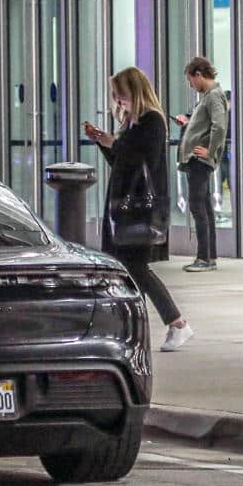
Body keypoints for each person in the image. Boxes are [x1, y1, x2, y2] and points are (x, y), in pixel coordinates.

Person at [86, 67, 193, 352]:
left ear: (136, 92)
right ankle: (136, 331)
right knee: (128, 268)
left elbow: (139, 157)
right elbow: (122, 160)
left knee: (134, 266)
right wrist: (104, 142)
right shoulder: (134, 123)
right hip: (125, 205)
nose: (119, 102)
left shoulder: (152, 121)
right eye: (116, 98)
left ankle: (176, 322)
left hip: (141, 208)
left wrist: (113, 142)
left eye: (122, 96)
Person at [175, 56, 228, 272]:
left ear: (199, 74)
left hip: (199, 159)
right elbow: (208, 125)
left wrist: (210, 150)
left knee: (198, 206)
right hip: (196, 158)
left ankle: (203, 257)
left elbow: (219, 127)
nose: (191, 85)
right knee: (203, 205)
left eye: (191, 81)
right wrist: (189, 123)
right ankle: (209, 256)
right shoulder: (207, 96)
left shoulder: (213, 96)